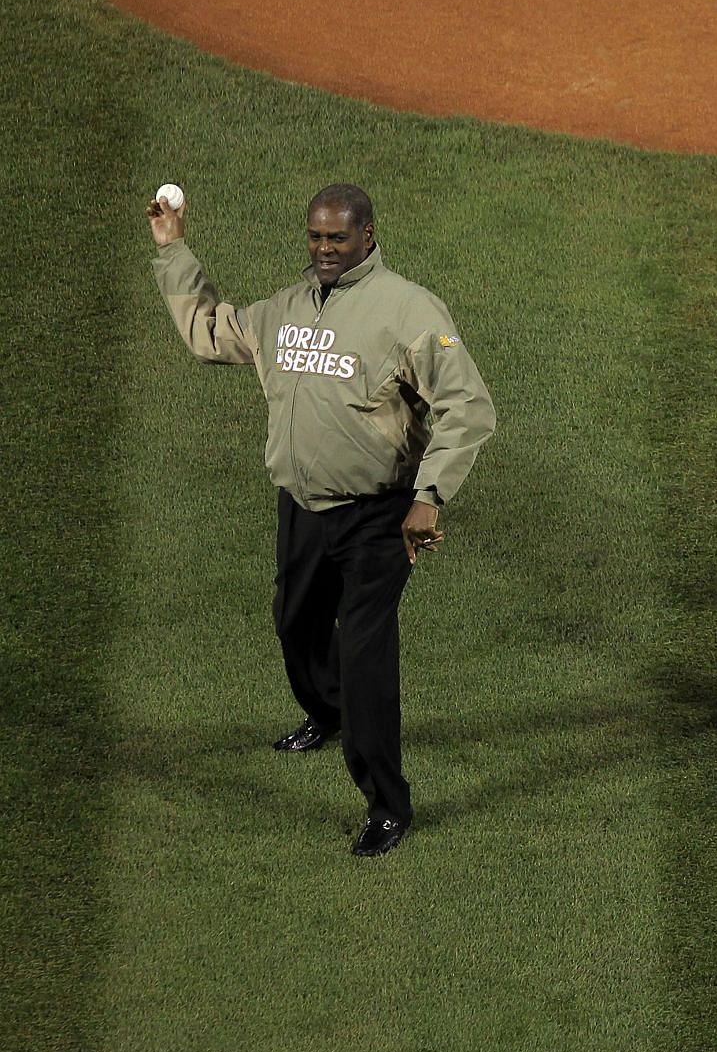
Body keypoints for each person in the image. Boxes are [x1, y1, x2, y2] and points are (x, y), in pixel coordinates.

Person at [146, 183, 495, 856]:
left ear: (367, 235)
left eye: (337, 238)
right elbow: (208, 331)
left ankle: (387, 805)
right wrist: (172, 249)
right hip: (302, 508)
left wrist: (430, 495)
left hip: (379, 517)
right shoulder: (284, 310)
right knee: (295, 623)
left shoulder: (410, 310)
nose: (324, 249)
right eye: (315, 236)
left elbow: (467, 406)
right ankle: (325, 712)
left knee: (366, 656)